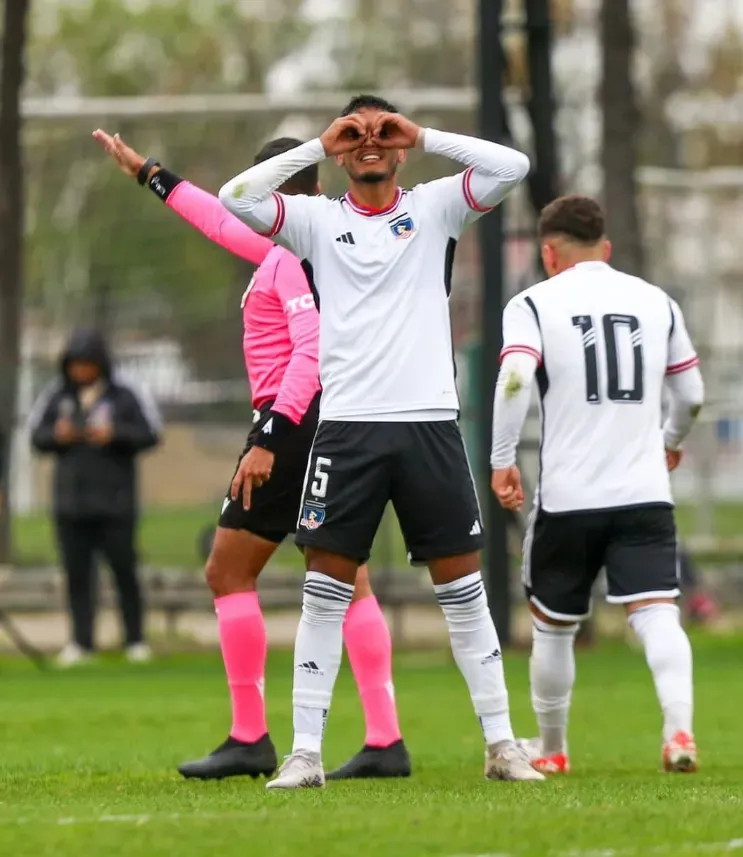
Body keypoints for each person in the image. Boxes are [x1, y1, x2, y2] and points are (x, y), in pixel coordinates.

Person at [219, 94, 543, 788]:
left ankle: (501, 744)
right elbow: (235, 197)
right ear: (341, 150)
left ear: (398, 148)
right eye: (357, 136)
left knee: (463, 591)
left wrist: (421, 133)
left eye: (381, 135)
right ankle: (305, 752)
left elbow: (512, 165)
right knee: (323, 592)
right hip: (347, 430)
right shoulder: (313, 220)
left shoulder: (434, 207)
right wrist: (319, 142)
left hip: (428, 426)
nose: (370, 144)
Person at [92, 129, 410, 781]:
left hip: (293, 425)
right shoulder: (301, 246)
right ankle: (384, 739)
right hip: (336, 421)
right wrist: (149, 172)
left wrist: (268, 436)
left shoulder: (291, 258)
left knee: (227, 569)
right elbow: (215, 219)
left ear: (261, 194)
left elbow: (309, 350)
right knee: (344, 575)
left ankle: (250, 735)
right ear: (314, 188)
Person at [489, 195, 704, 775]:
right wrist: (671, 440)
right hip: (644, 493)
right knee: (658, 613)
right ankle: (678, 729)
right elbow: (692, 394)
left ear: (548, 252)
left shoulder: (533, 301)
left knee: (554, 628)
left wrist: (501, 458)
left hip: (569, 497)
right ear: (605, 249)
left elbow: (513, 379)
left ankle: (554, 748)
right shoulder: (655, 301)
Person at [28, 329, 161, 666]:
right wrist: (59, 436)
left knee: (123, 570)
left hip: (115, 504)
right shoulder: (57, 396)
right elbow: (37, 436)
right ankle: (81, 643)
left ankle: (135, 640)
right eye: (75, 364)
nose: (81, 371)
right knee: (76, 575)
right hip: (70, 504)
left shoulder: (124, 396)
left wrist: (115, 435)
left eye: (87, 364)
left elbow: (149, 433)